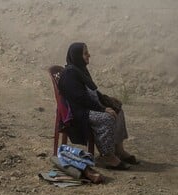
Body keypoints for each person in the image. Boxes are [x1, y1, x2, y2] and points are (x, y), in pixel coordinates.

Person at [58, 42, 138, 170]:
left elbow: (92, 91)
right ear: (77, 55)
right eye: (85, 53)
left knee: (118, 110)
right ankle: (108, 156)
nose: (89, 55)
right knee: (107, 117)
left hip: (89, 107)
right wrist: (102, 108)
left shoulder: (80, 70)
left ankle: (119, 150)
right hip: (79, 112)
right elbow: (81, 99)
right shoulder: (70, 74)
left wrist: (106, 100)